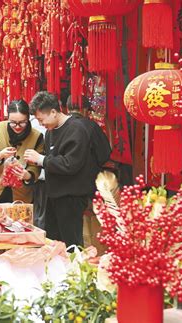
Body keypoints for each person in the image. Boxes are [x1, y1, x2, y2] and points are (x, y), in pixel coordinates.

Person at [24, 91, 94, 248]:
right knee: (53, 241)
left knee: (71, 243)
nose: (41, 125)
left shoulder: (76, 129)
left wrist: (41, 160)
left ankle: (75, 271)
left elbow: (70, 164)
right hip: (54, 194)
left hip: (71, 197)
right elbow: (51, 160)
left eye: (42, 120)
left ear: (54, 112)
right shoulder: (51, 131)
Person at [67, 95, 113, 253]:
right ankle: (94, 252)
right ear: (86, 110)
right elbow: (105, 154)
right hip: (89, 182)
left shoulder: (61, 127)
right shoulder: (91, 126)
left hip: (66, 186)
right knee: (93, 218)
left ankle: (75, 255)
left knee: (72, 225)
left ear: (66, 109)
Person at [0, 99, 44, 203]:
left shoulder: (37, 137)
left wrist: (28, 175)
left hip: (21, 195)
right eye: (13, 123)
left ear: (28, 118)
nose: (17, 127)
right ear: (8, 118)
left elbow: (36, 167)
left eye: (22, 123)